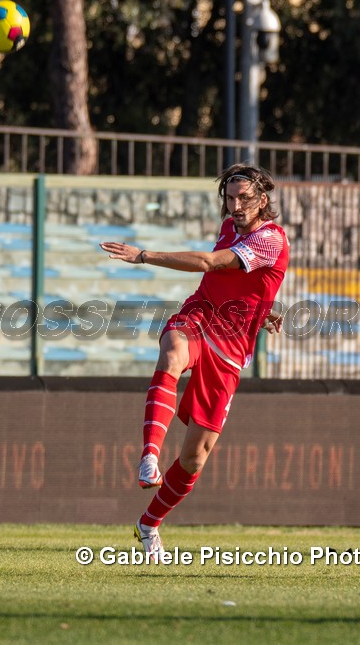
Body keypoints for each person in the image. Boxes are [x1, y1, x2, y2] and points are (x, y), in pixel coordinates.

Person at [99, 163, 288, 562]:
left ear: (262, 200)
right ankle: (149, 456)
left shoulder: (270, 239)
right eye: (230, 198)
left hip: (231, 348)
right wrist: (260, 306)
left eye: (244, 199)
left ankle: (148, 524)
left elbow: (210, 263)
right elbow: (230, 279)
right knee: (172, 351)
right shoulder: (230, 226)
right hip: (201, 315)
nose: (235, 206)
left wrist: (143, 255)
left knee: (194, 457)